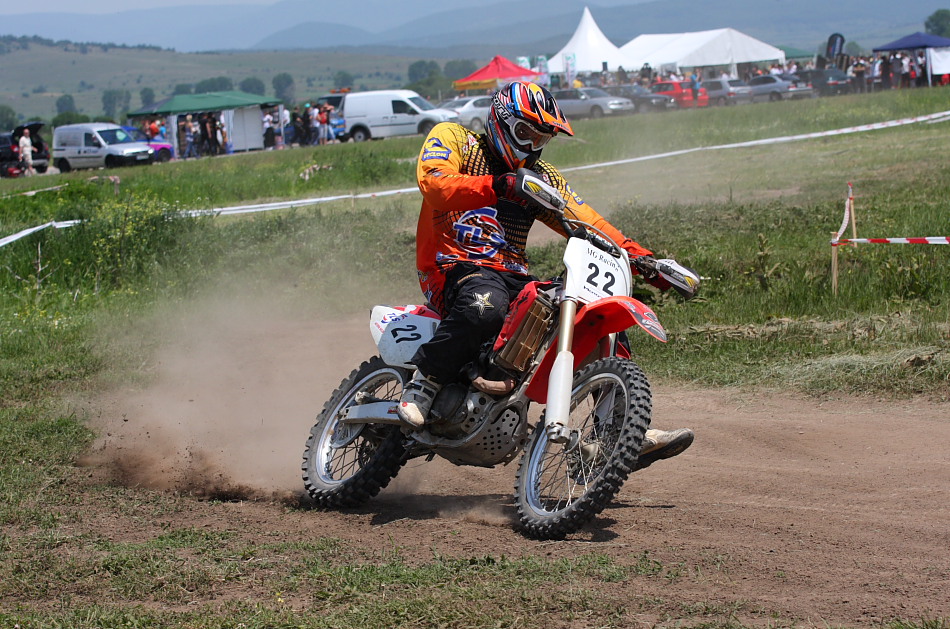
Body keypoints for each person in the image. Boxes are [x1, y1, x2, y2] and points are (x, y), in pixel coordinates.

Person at [397, 81, 695, 468]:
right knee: (485, 306)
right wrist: (499, 185)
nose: (531, 146)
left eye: (541, 139)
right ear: (501, 121)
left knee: (592, 316)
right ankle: (425, 382)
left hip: (511, 274)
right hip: (452, 265)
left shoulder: (541, 177)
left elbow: (585, 220)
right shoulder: (457, 139)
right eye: (525, 133)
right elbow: (434, 183)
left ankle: (618, 430)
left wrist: (646, 262)